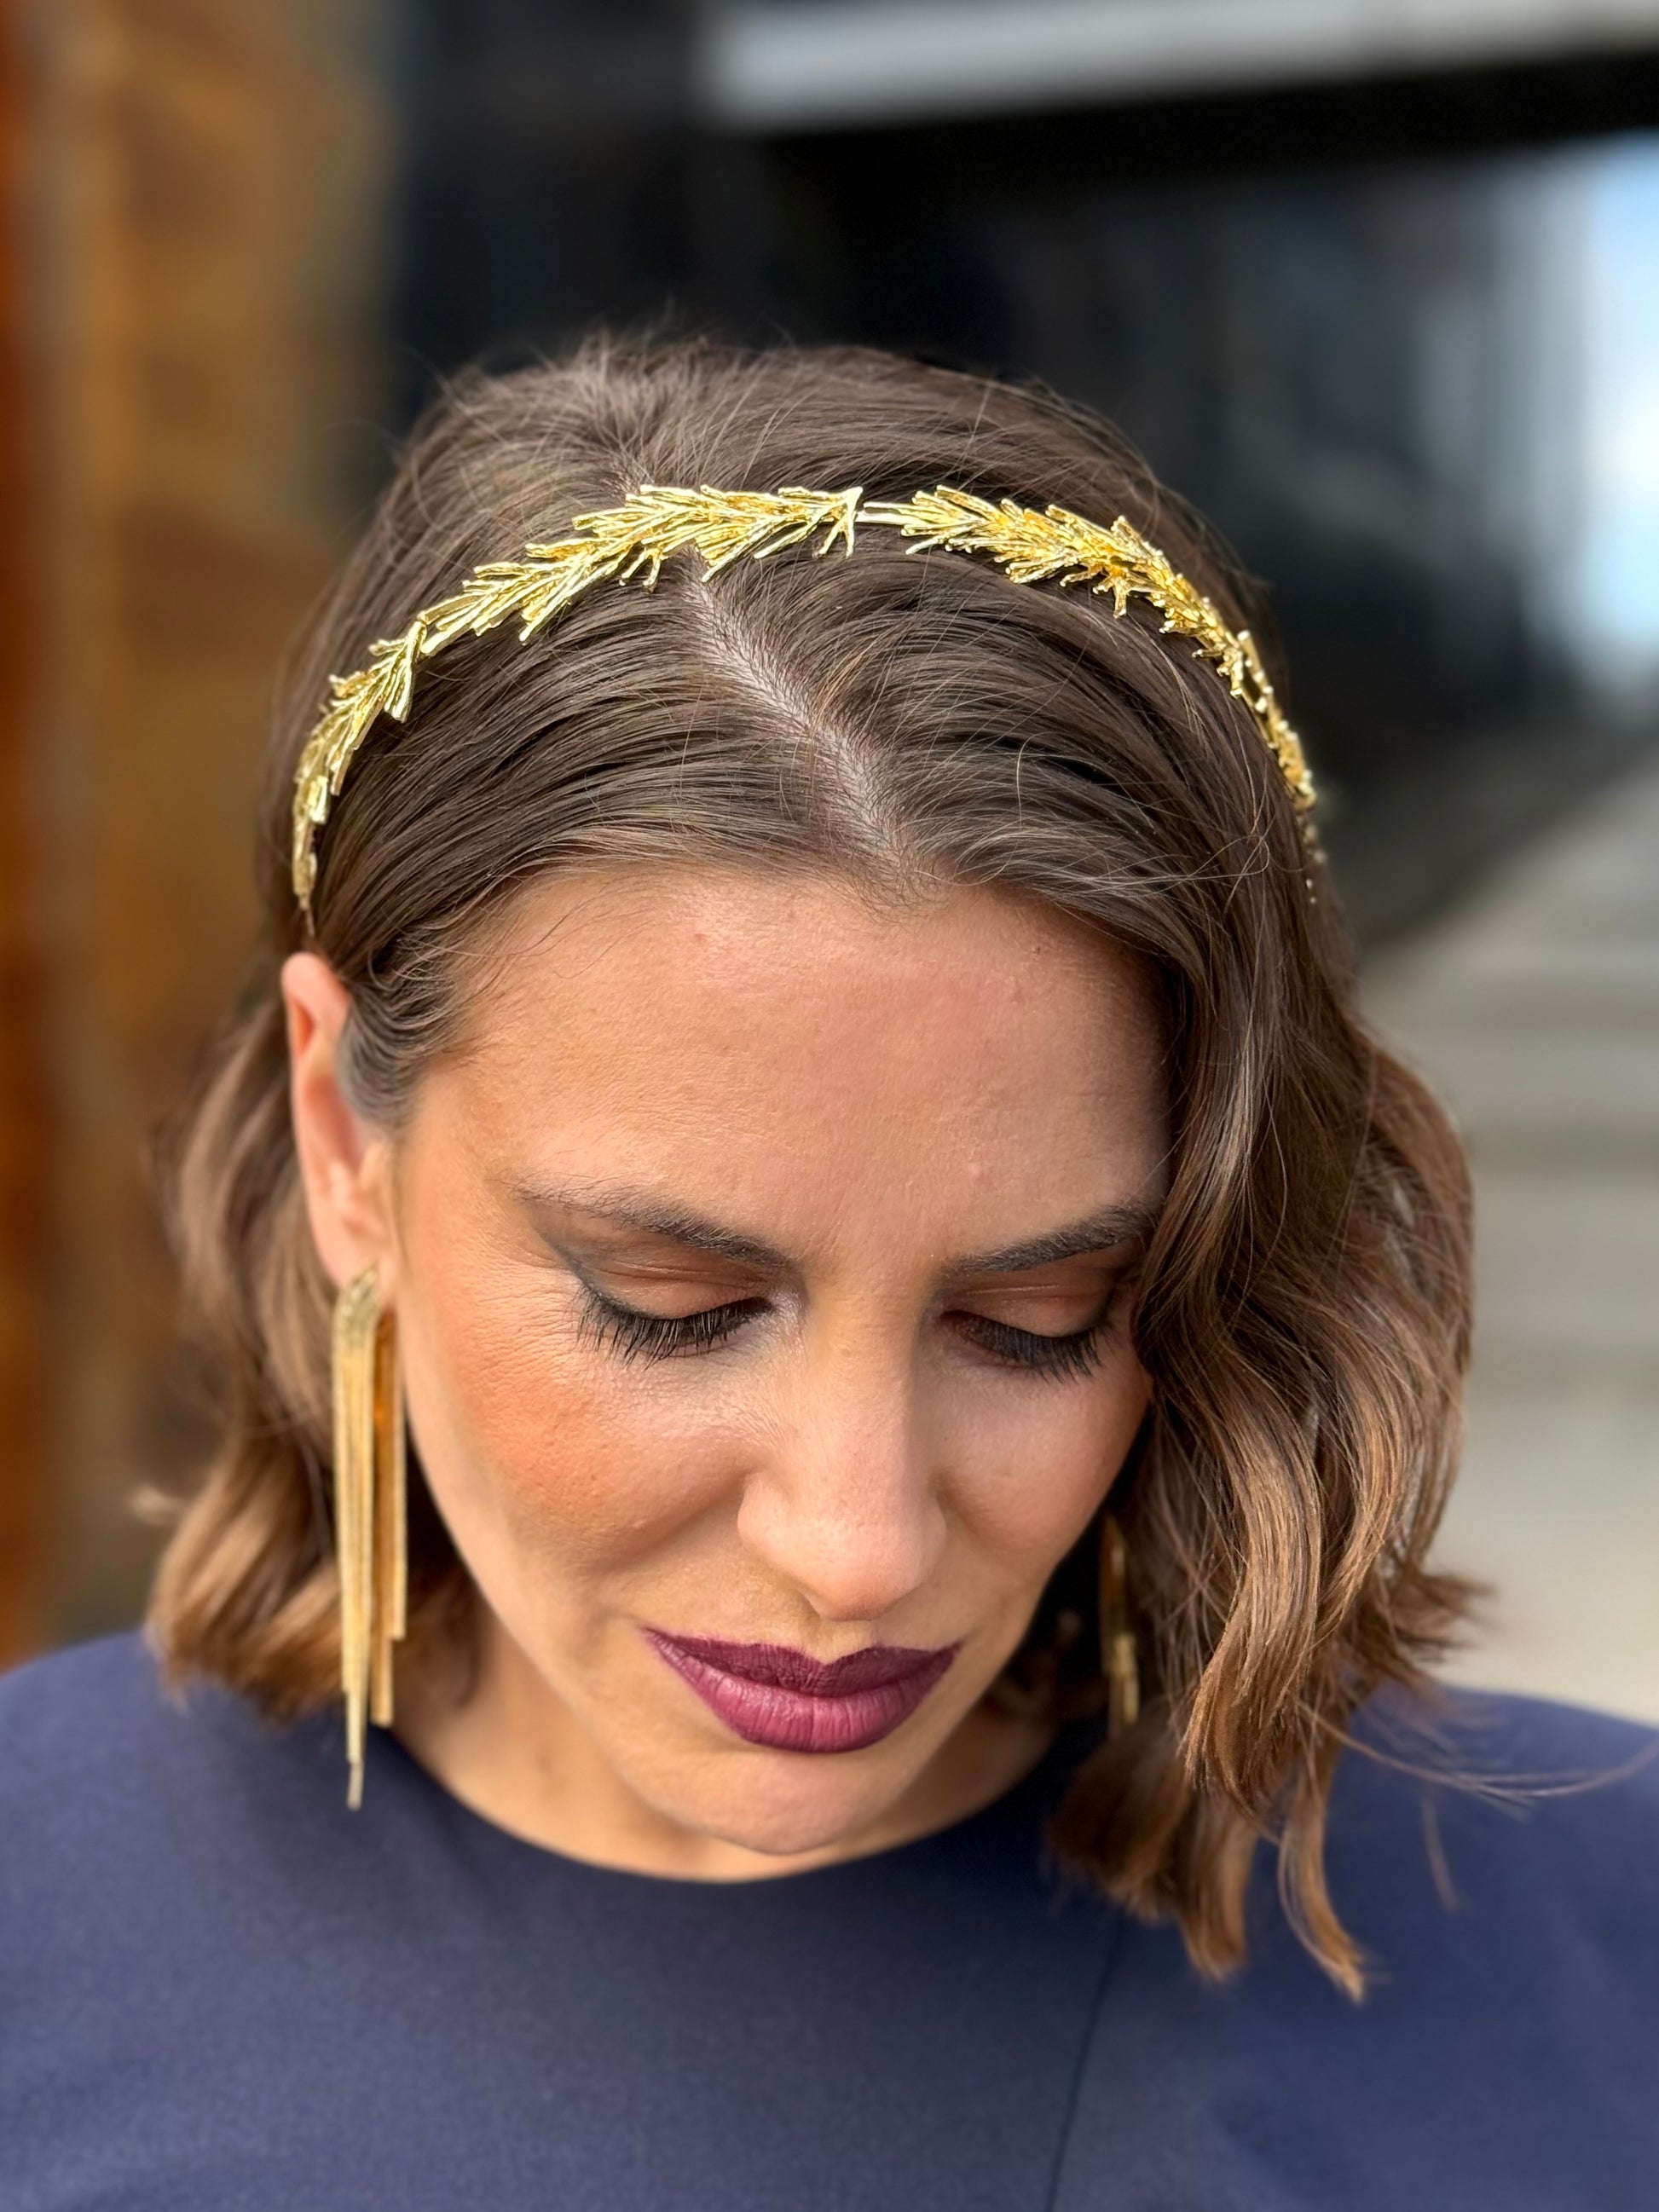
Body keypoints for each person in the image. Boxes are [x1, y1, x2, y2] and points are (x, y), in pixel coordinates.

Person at [2, 338, 1653, 2211]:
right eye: (672, 1305)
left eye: (1035, 1321)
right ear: (341, 1144)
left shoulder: (1601, 1962)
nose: (855, 1548)